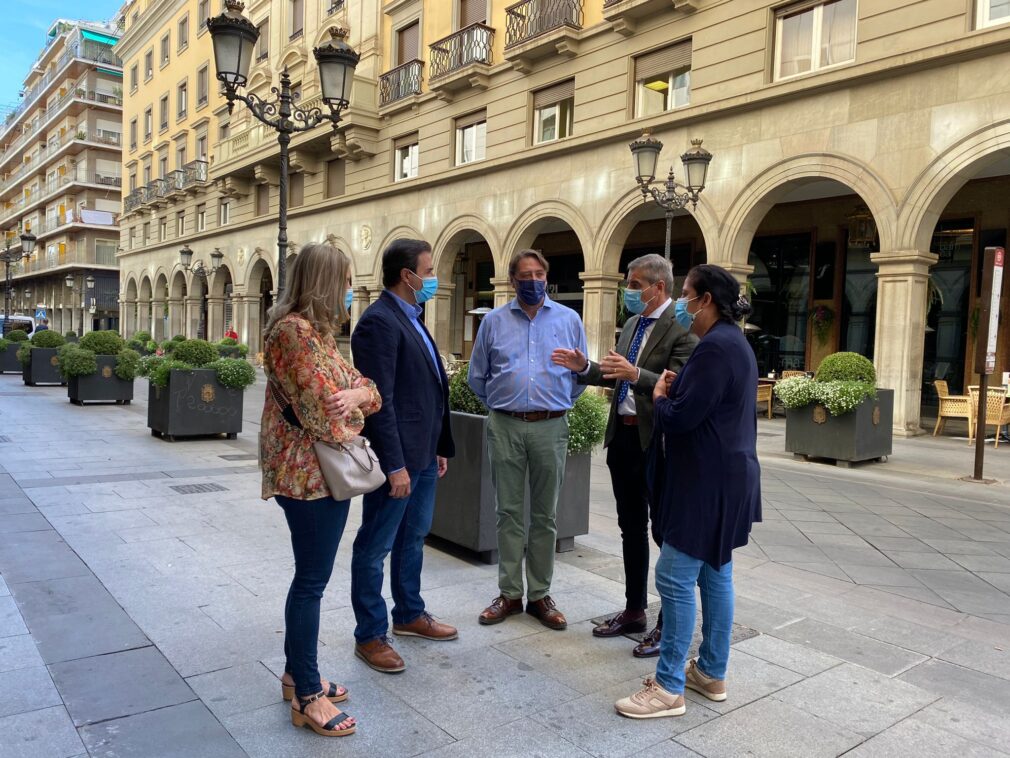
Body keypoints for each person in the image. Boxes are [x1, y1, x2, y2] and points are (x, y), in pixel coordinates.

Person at [615, 263, 762, 719]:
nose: (682, 303)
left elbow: (680, 419)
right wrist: (679, 390)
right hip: (728, 478)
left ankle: (668, 685)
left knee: (675, 578)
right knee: (716, 574)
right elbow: (707, 403)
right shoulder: (733, 344)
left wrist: (660, 395)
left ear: (706, 301)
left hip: (702, 482)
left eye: (686, 294)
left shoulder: (715, 347)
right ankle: (712, 671)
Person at [260, 243, 382, 737]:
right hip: (307, 474)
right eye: (347, 281)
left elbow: (364, 389)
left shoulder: (320, 335)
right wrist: (356, 405)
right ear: (327, 283)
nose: (351, 290)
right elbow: (322, 414)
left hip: (318, 471)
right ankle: (307, 695)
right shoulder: (292, 333)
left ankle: (297, 675)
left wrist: (356, 397)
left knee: (311, 578)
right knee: (311, 581)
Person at [552, 254, 697, 656]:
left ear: (659, 288)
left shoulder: (682, 327)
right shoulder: (633, 323)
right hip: (624, 439)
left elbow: (681, 386)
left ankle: (670, 623)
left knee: (663, 532)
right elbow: (618, 372)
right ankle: (635, 609)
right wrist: (588, 367)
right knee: (630, 527)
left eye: (635, 285)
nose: (629, 292)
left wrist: (638, 376)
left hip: (658, 444)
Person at [350, 238, 457, 674]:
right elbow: (382, 401)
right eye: (428, 271)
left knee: (414, 538)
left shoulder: (412, 316)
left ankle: (410, 614)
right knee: (375, 545)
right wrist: (394, 464)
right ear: (406, 275)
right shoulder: (379, 322)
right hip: (397, 461)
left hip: (424, 456)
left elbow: (430, 390)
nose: (433, 279)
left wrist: (437, 447)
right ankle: (371, 634)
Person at [469, 249, 588, 631]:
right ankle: (509, 593)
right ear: (513, 279)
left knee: (545, 516)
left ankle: (539, 595)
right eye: (525, 275)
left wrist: (554, 406)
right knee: (507, 513)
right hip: (505, 425)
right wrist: (506, 406)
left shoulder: (569, 319)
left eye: (539, 273)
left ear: (547, 276)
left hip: (551, 427)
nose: (533, 280)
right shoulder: (493, 321)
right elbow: (477, 377)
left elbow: (581, 374)